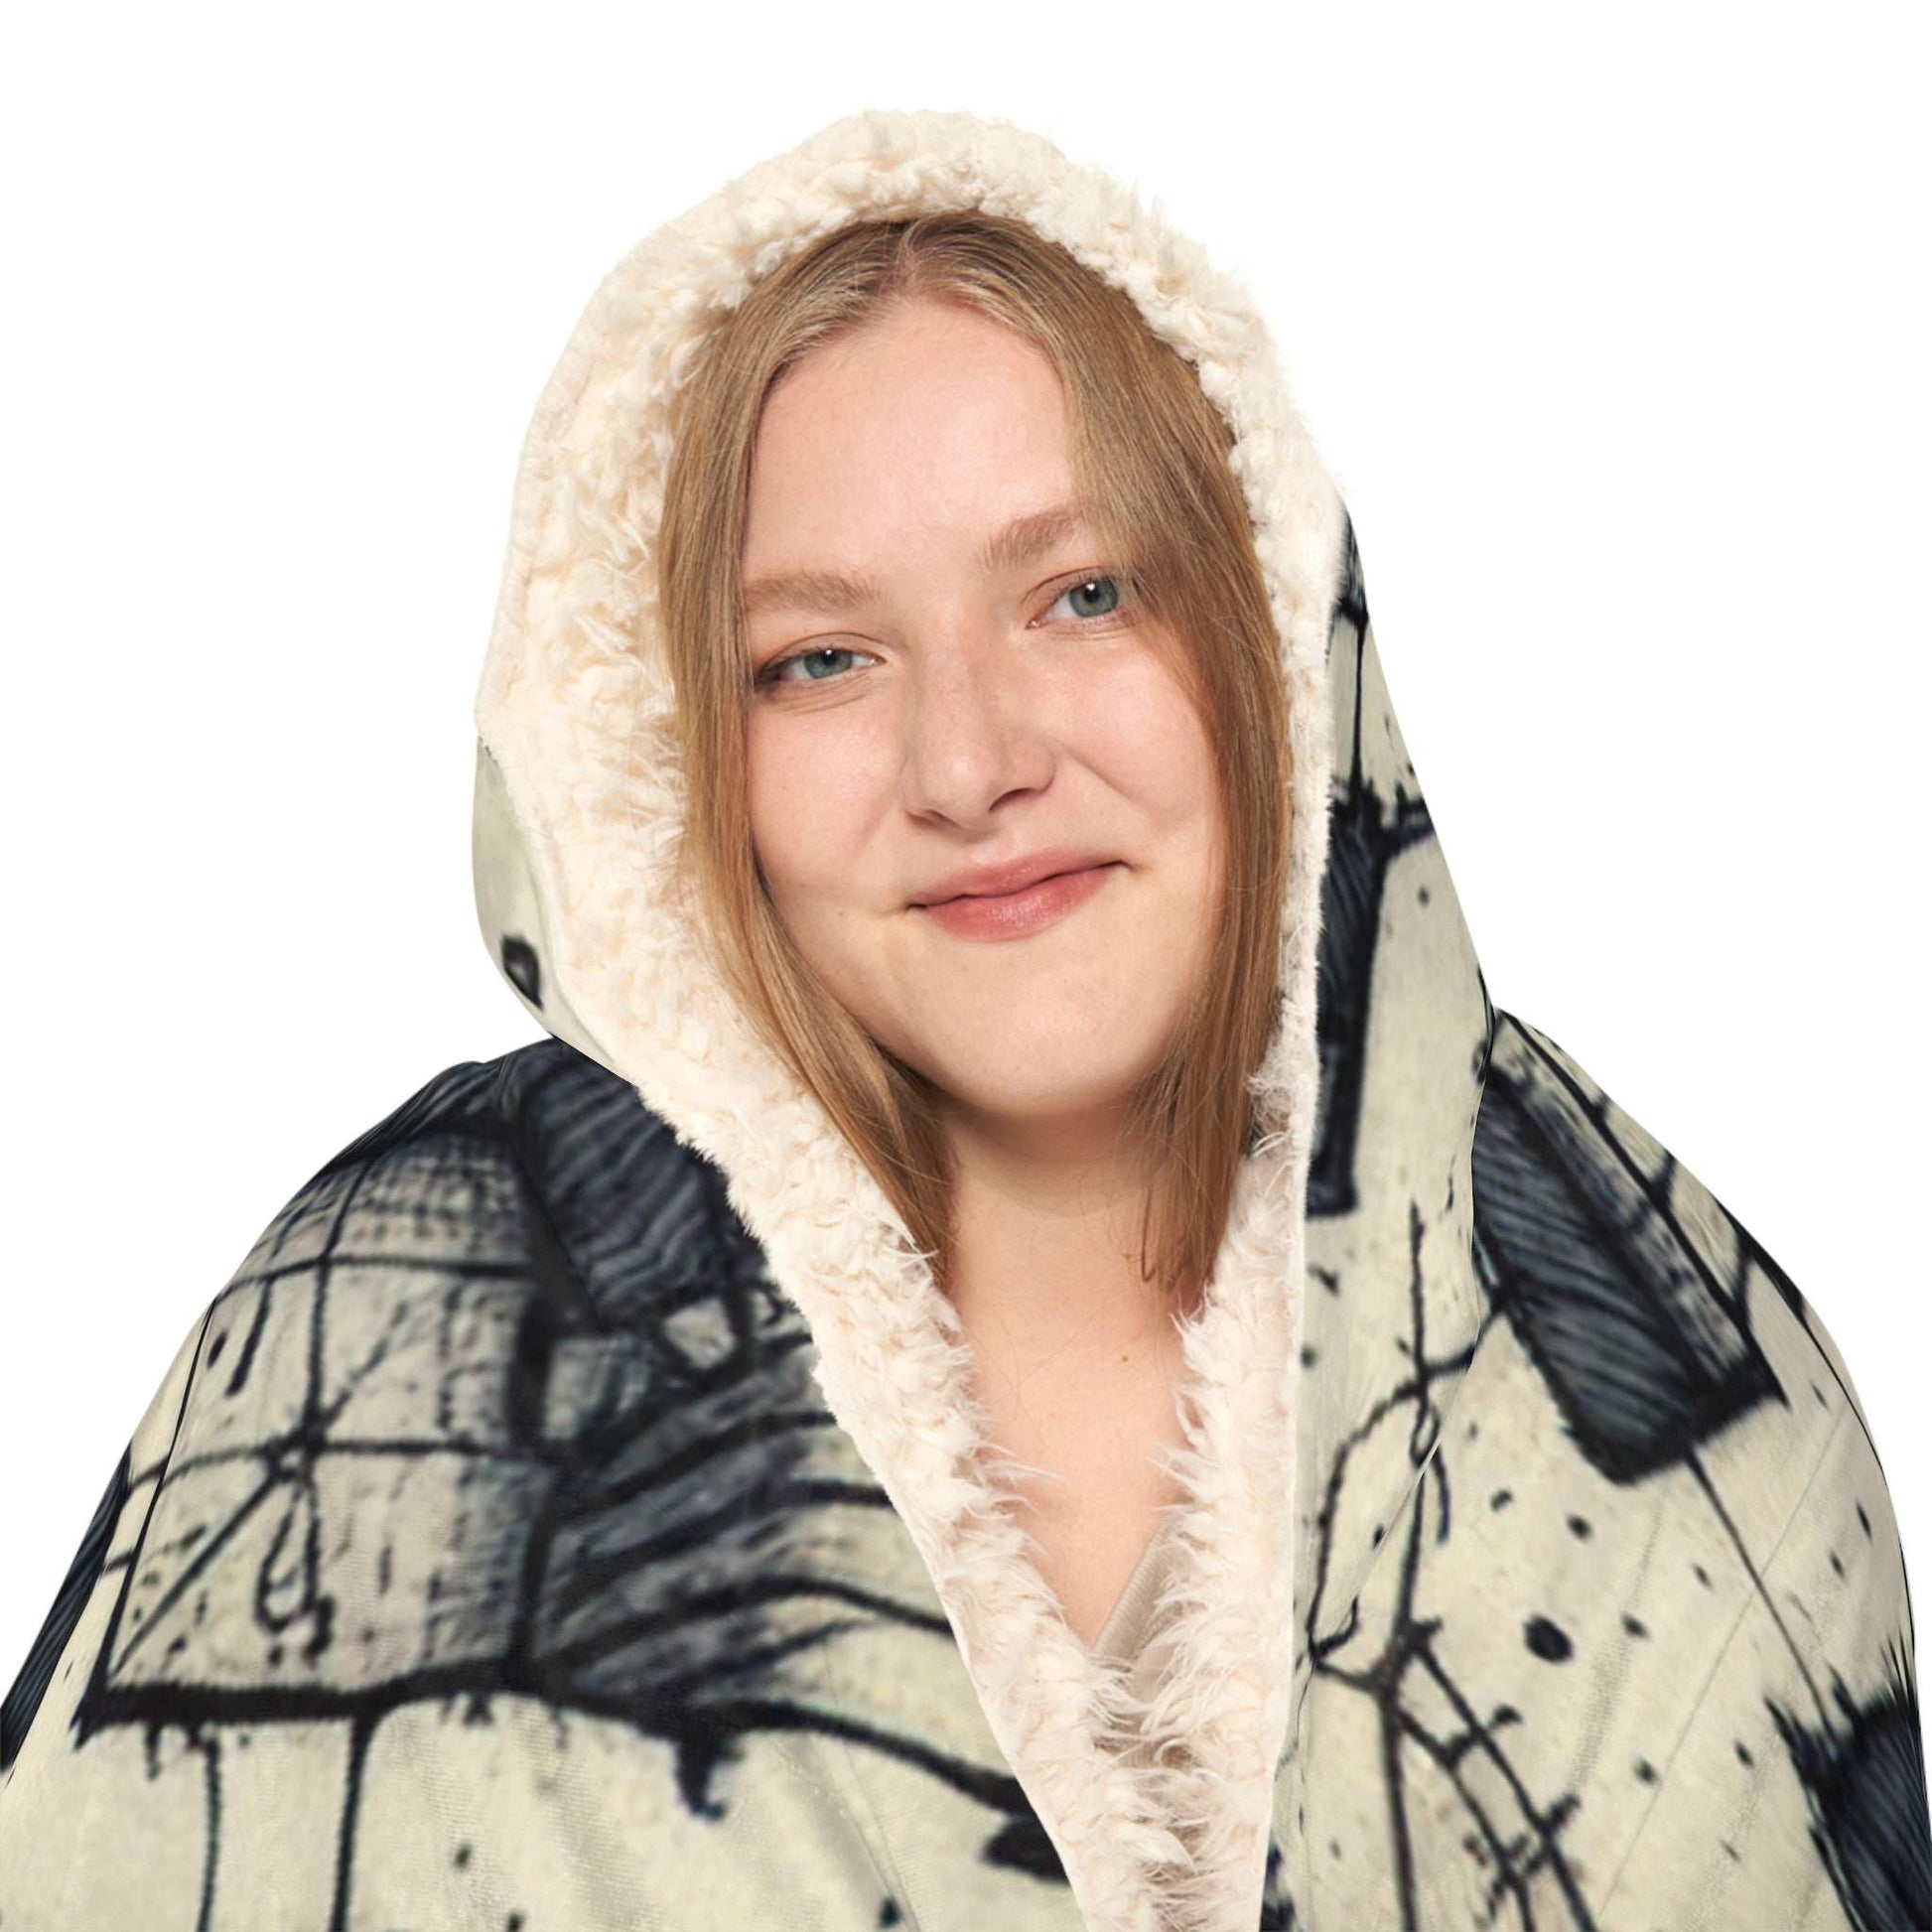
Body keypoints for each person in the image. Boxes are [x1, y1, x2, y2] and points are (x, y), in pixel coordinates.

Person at [1, 105, 1925, 1932]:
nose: (968, 762)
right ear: (666, 755)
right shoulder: (390, 1334)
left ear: (1274, 631)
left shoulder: (1670, 1353)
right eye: (818, 658)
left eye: (1083, 594)